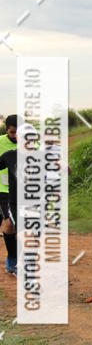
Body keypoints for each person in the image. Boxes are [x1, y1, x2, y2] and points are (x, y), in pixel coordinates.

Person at [0, 116, 18, 277]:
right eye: (12, 132)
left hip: (24, 191)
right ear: (7, 130)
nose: (15, 136)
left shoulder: (31, 143)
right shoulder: (0, 142)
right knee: (9, 223)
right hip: (3, 189)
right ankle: (12, 259)